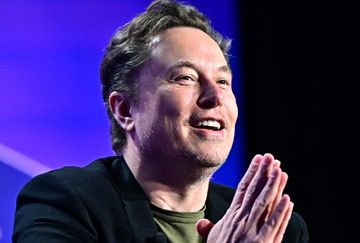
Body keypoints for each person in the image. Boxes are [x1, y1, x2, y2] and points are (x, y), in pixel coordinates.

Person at [12, 0, 309, 242]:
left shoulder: (272, 227)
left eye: (223, 81)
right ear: (125, 110)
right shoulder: (65, 203)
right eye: (185, 78)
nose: (214, 97)